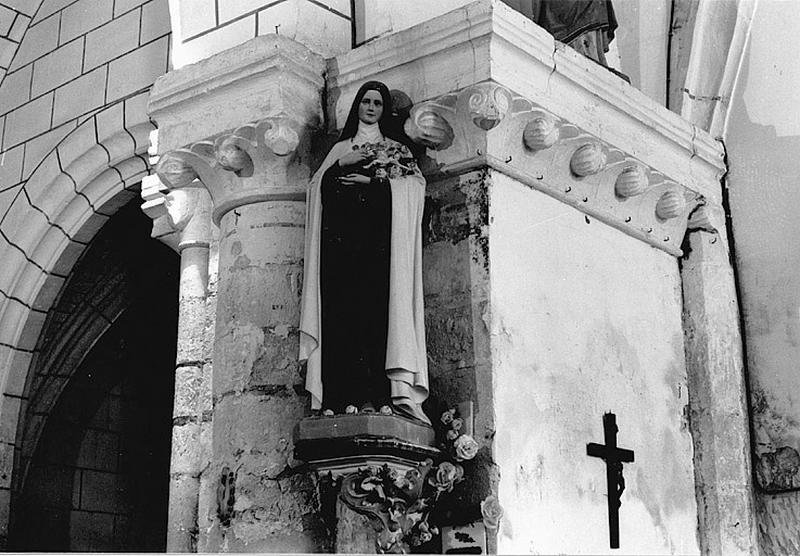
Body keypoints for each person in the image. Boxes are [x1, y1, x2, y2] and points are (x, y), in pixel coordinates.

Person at [300, 81, 430, 424]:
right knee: (342, 320)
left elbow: (414, 190)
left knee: (375, 320)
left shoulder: (395, 149)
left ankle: (375, 396)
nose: (371, 108)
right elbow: (317, 190)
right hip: (341, 252)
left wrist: (374, 184)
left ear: (384, 110)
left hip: (378, 254)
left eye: (377, 103)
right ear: (357, 105)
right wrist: (342, 164)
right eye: (366, 101)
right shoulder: (341, 148)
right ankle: (340, 397)